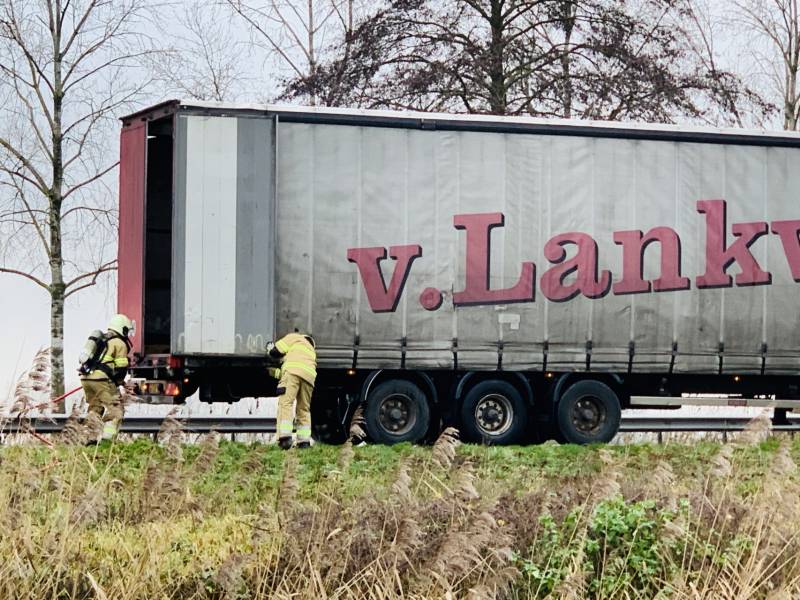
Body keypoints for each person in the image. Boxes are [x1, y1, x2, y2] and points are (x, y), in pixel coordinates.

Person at [79, 314, 133, 443]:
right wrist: (119, 382)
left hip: (87, 378)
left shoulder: (102, 339)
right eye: (127, 330)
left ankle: (89, 439)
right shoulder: (120, 343)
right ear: (122, 328)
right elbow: (121, 368)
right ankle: (107, 440)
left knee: (95, 408)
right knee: (116, 410)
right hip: (101, 380)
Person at [267, 330, 317, 449]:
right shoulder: (311, 352)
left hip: (292, 374)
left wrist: (269, 349)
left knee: (286, 403)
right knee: (304, 409)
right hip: (309, 378)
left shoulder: (295, 337)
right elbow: (295, 368)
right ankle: (304, 442)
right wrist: (274, 372)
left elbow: (276, 352)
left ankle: (285, 438)